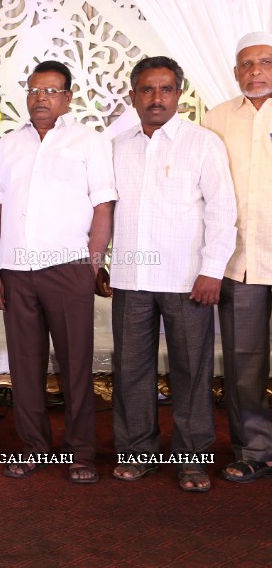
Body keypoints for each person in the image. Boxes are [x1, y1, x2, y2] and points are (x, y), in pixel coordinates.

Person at [0, 60, 116, 484]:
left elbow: (103, 207)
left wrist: (90, 265)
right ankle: (34, 447)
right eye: (34, 90)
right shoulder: (8, 144)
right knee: (25, 364)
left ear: (68, 97)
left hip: (68, 269)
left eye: (51, 91)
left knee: (76, 363)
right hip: (17, 271)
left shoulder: (88, 142)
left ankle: (80, 453)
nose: (41, 98)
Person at [105, 56, 236, 492]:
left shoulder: (203, 143)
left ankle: (191, 458)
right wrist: (97, 261)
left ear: (179, 95)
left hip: (187, 279)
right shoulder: (117, 145)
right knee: (130, 372)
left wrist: (212, 270)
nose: (156, 97)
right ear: (133, 96)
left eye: (164, 89)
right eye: (147, 89)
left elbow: (222, 211)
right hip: (129, 278)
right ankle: (138, 453)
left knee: (191, 371)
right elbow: (102, 210)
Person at [202, 32, 272, 483]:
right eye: (246, 64)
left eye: (264, 61)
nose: (255, 71)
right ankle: (255, 450)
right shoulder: (216, 118)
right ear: (235, 72)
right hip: (240, 261)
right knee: (244, 364)